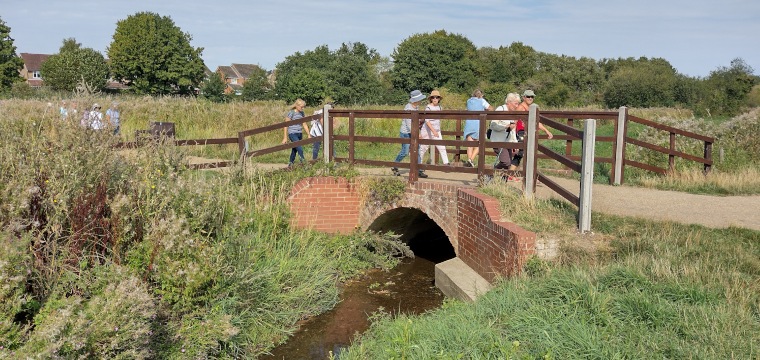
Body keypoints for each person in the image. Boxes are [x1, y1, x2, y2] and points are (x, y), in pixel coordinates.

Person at [509, 90, 553, 175]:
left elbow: (537, 123)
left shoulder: (532, 108)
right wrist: (512, 134)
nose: (530, 98)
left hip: (529, 132)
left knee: (528, 153)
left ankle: (526, 174)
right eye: (528, 96)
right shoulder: (521, 108)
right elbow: (514, 120)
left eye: (532, 97)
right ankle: (510, 174)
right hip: (521, 132)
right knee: (520, 153)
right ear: (524, 97)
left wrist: (546, 131)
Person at [392, 90, 428, 178]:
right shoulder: (408, 108)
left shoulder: (416, 108)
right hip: (405, 133)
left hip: (413, 131)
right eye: (419, 99)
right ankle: (395, 165)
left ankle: (418, 169)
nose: (420, 101)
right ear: (415, 100)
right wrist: (416, 133)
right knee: (405, 151)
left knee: (418, 150)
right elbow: (409, 124)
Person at [463, 89, 493, 167]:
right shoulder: (482, 101)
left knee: (470, 144)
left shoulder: (468, 101)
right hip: (478, 124)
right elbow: (490, 108)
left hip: (469, 123)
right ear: (481, 95)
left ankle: (469, 161)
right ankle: (471, 159)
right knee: (480, 143)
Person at [420, 90, 449, 166]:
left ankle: (446, 163)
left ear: (439, 99)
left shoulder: (440, 107)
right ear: (431, 99)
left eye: (437, 97)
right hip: (427, 130)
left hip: (436, 130)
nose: (435, 99)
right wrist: (433, 131)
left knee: (441, 146)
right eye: (433, 97)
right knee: (423, 148)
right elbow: (427, 121)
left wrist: (436, 131)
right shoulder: (428, 108)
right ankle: (418, 164)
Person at [282, 99, 310, 167]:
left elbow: (304, 124)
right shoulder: (291, 113)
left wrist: (308, 134)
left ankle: (290, 163)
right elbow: (286, 125)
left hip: (299, 133)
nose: (303, 108)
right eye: (301, 107)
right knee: (299, 148)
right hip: (292, 133)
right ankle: (303, 164)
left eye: (304, 107)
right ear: (297, 106)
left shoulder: (302, 113)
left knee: (295, 149)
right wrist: (285, 137)